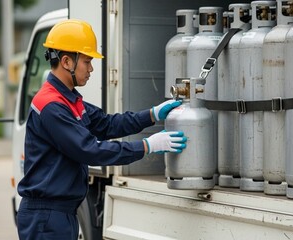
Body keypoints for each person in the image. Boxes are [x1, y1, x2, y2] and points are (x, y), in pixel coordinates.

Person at [16, 19, 187, 240]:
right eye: (87, 61)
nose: (91, 68)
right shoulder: (52, 106)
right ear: (67, 61)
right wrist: (147, 146)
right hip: (46, 217)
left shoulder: (69, 101)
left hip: (59, 214)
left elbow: (108, 124)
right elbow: (89, 150)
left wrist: (152, 114)